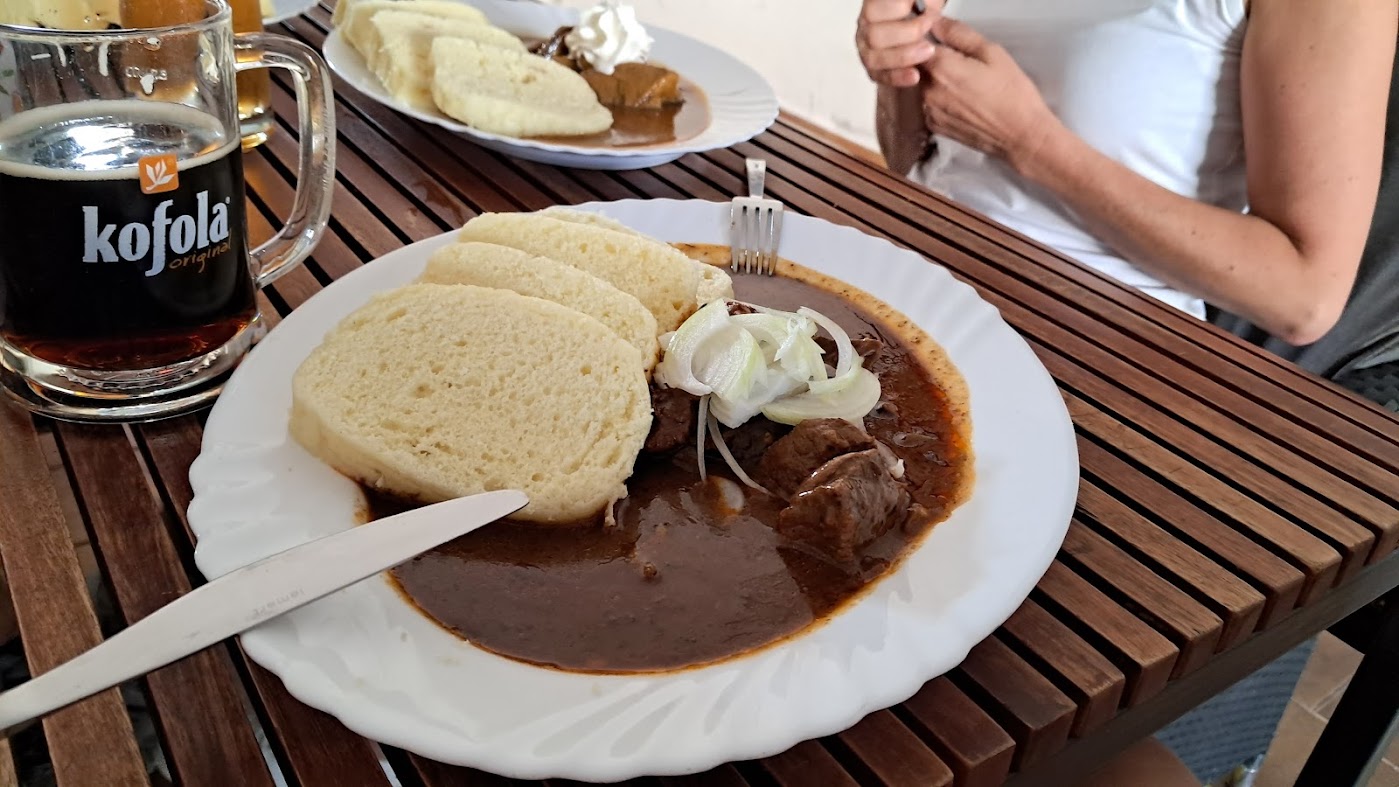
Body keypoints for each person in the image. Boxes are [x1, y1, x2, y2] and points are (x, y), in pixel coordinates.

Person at [855, 0, 1397, 783]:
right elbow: (918, 162)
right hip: (905, 319)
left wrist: (1029, 141)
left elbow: (1305, 293)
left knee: (951, 712)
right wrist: (895, 76)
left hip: (1101, 382)